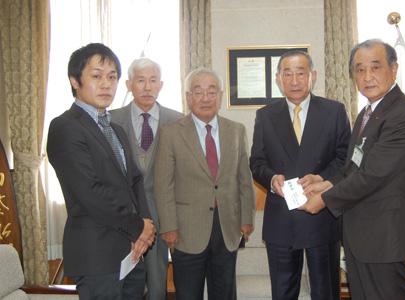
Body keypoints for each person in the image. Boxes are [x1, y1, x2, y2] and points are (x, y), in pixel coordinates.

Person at [300, 39, 405, 300]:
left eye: (375, 67)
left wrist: (323, 200)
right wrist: (325, 182)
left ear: (394, 69)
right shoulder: (367, 113)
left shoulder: (404, 115)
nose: (367, 76)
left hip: (384, 238)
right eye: (359, 69)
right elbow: (354, 167)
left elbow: (373, 175)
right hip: (361, 238)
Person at [47, 43, 156, 299]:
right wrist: (138, 226)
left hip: (132, 253)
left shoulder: (115, 128)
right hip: (97, 255)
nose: (106, 84)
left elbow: (135, 182)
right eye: (96, 76)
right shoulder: (65, 127)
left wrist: (147, 227)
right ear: (75, 81)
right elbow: (90, 193)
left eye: (112, 77)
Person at [249, 50, 351, 300]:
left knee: (325, 292)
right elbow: (257, 161)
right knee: (283, 294)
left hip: (322, 216)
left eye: (301, 73)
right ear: (278, 79)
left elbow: (344, 159)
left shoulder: (334, 111)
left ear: (312, 76)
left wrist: (321, 180)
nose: (294, 80)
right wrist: (272, 180)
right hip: (281, 219)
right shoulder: (265, 115)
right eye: (288, 74)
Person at [154, 67, 255, 300]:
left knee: (225, 293)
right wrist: (168, 226)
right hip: (186, 230)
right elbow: (163, 185)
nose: (205, 98)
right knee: (188, 294)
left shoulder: (236, 131)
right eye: (198, 92)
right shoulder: (170, 133)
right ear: (188, 97)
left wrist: (247, 219)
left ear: (220, 96)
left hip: (227, 227)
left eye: (212, 92)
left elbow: (244, 179)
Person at [110, 57, 183, 300]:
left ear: (161, 85)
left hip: (162, 215)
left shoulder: (178, 121)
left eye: (153, 81)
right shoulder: (110, 120)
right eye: (141, 80)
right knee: (121, 282)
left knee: (156, 282)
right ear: (129, 84)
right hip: (121, 217)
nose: (147, 87)